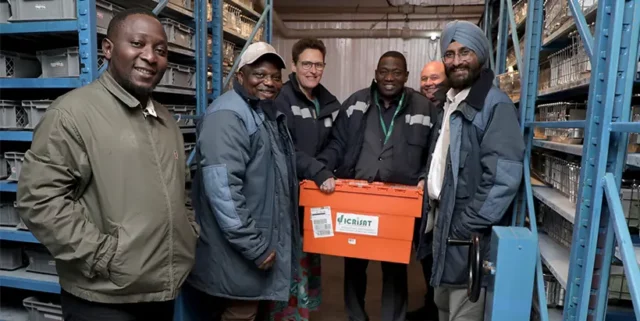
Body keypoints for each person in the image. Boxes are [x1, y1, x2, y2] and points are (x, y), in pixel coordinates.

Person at [16, 8, 199, 321]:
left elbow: (180, 193)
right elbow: (39, 201)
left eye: (160, 50)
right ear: (108, 49)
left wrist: (188, 232)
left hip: (160, 291)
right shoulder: (72, 114)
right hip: (103, 300)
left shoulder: (167, 122)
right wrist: (104, 257)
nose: (150, 57)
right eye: (137, 44)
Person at [415, 20, 525, 321]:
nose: (456, 61)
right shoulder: (450, 102)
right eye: (449, 54)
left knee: (464, 310)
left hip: (468, 234)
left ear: (480, 55)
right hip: (444, 224)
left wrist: (465, 226)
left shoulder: (493, 105)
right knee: (444, 305)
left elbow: (502, 179)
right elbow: (442, 159)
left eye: (465, 52)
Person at [182, 42, 299, 321]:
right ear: (240, 76)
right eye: (259, 74)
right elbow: (223, 193)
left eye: (275, 76)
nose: (268, 82)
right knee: (240, 313)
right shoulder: (228, 116)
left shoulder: (260, 110)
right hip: (239, 253)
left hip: (250, 250)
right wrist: (255, 246)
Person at [318, 51, 437, 321]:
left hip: (399, 204)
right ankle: (355, 317)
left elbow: (434, 153)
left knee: (395, 268)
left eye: (396, 72)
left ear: (406, 76)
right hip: (359, 199)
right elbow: (336, 143)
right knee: (354, 265)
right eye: (384, 71)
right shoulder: (355, 103)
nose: (389, 77)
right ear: (375, 73)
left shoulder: (424, 108)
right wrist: (322, 168)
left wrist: (425, 177)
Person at [266, 37, 341, 321]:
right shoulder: (280, 99)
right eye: (306, 64)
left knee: (309, 258)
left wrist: (321, 167)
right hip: (287, 200)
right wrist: (317, 171)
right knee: (288, 263)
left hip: (314, 199)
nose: (313, 70)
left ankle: (302, 314)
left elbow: (337, 143)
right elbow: (284, 148)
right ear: (294, 66)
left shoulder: (329, 102)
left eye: (318, 64)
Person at [407, 60, 450, 321]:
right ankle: (430, 306)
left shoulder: (451, 108)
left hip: (443, 200)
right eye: (424, 79)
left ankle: (437, 310)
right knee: (425, 254)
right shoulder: (422, 109)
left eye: (435, 77)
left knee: (440, 257)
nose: (429, 83)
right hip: (421, 199)